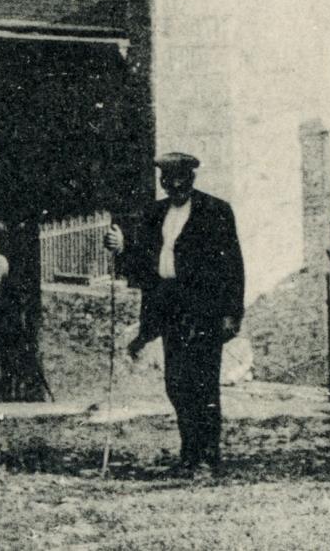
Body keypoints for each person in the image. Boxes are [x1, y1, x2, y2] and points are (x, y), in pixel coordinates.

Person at [106, 152, 245, 478]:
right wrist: (122, 247)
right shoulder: (155, 213)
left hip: (204, 310)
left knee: (203, 385)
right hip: (168, 308)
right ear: (163, 182)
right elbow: (144, 264)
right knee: (176, 384)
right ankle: (189, 453)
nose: (174, 186)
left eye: (180, 180)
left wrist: (231, 313)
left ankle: (207, 458)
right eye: (168, 181)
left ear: (192, 179)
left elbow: (233, 266)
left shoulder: (216, 211)